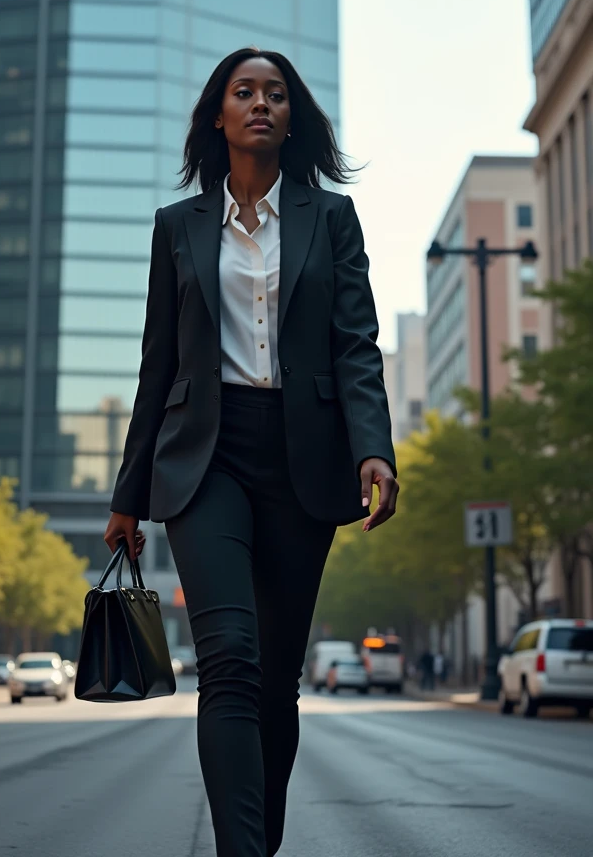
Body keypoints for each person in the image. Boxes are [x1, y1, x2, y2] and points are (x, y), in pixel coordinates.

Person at [105, 47, 398, 857]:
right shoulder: (178, 228)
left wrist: (374, 450)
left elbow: (356, 345)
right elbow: (156, 365)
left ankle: (257, 843)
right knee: (229, 658)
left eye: (275, 93)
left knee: (276, 684)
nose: (261, 103)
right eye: (244, 92)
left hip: (304, 459)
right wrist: (129, 495)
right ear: (219, 116)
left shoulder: (330, 218)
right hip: (206, 458)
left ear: (290, 116)